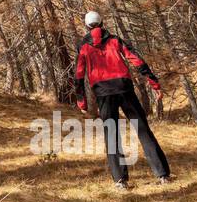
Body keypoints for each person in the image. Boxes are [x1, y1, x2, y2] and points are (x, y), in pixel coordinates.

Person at [72, 11, 171, 189]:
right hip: (124, 88)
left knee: (111, 135)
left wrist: (82, 102)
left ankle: (120, 181)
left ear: (86, 26)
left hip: (103, 93)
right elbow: (137, 60)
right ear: (102, 23)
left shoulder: (83, 46)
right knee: (143, 130)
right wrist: (154, 83)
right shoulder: (115, 39)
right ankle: (162, 175)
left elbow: (79, 75)